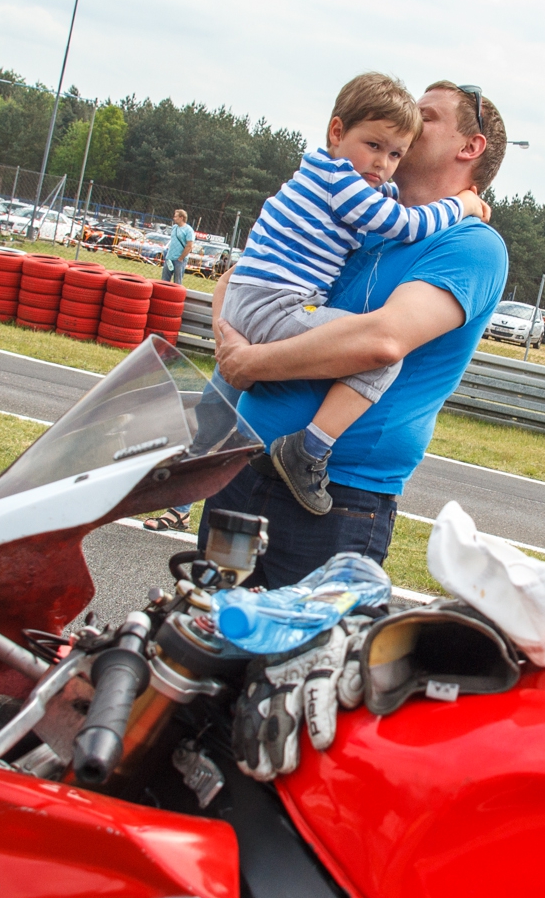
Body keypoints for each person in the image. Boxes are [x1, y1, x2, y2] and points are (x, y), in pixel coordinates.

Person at [207, 80, 508, 584]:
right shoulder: (364, 212)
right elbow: (238, 278)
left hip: (333, 499)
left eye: (426, 115)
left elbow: (381, 342)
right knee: (204, 638)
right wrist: (228, 336)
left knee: (293, 659)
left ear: (469, 146)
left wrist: (249, 363)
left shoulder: (473, 245)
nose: (409, 118)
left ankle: (308, 448)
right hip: (243, 463)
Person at [161, 209, 194, 284]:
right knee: (164, 280)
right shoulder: (174, 227)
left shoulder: (188, 230)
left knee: (177, 282)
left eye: (176, 216)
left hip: (179, 260)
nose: (174, 218)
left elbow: (189, 246)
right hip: (169, 257)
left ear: (181, 218)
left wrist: (181, 258)